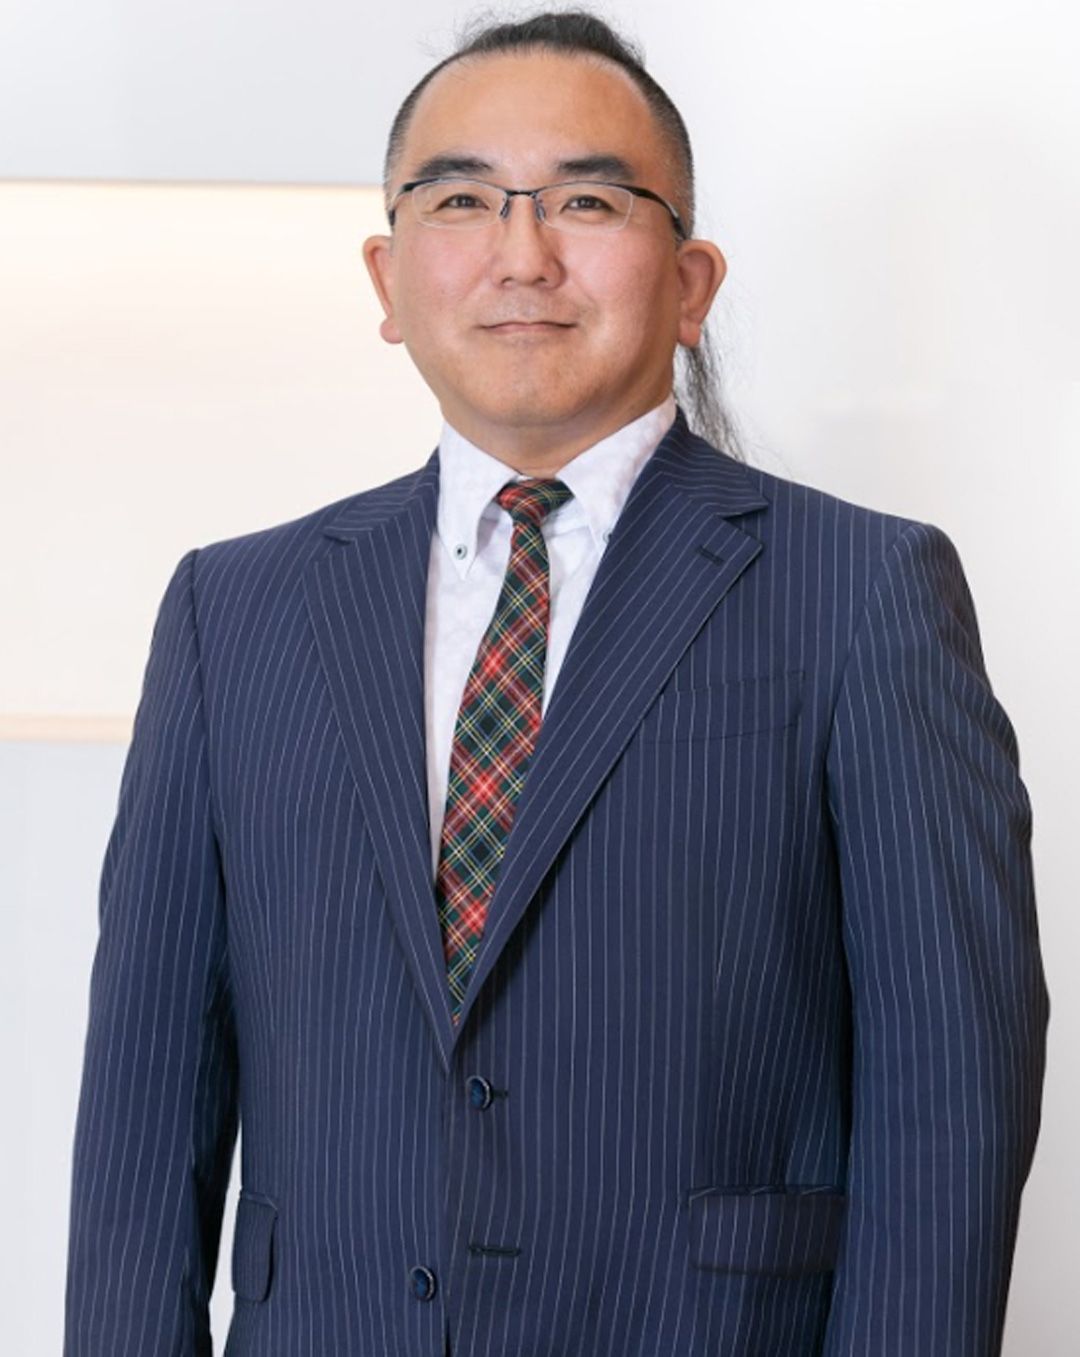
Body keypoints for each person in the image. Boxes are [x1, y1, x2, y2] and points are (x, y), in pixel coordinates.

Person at [62, 10, 1049, 1357]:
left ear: (691, 282)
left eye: (586, 200)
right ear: (388, 276)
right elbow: (144, 1101)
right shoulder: (230, 614)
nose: (522, 254)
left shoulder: (863, 591)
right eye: (461, 199)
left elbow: (949, 1100)